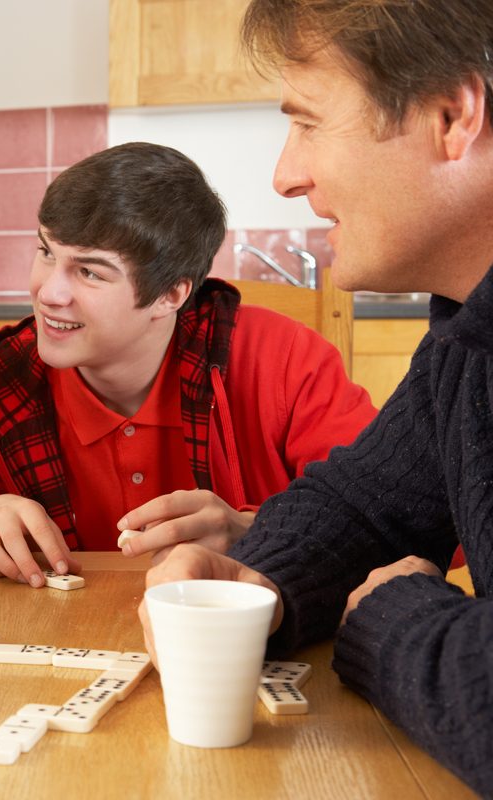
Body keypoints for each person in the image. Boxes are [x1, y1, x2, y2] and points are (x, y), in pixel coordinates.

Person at [140, 0, 493, 794]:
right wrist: (259, 583)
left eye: (307, 122)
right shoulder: (467, 338)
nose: (285, 174)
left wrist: (395, 620)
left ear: (452, 116)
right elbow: (366, 505)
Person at [0, 142, 376, 587]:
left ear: (170, 295)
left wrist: (254, 532)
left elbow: (416, 527)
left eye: (90, 272)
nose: (48, 292)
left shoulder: (286, 361)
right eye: (47, 253)